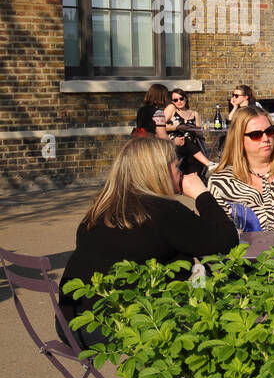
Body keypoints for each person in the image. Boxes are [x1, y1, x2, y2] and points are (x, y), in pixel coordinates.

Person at [59, 136, 238, 348]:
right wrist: (202, 194)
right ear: (158, 171)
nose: (181, 171)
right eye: (176, 166)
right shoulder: (162, 212)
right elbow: (226, 240)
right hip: (104, 328)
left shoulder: (102, 208)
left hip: (69, 323)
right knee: (218, 299)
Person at [163, 87, 213, 175]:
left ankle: (196, 178)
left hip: (192, 144)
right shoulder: (172, 109)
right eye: (175, 100)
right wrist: (177, 127)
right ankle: (208, 164)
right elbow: (161, 125)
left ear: (185, 98)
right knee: (186, 141)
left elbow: (199, 134)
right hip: (175, 143)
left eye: (181, 98)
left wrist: (200, 129)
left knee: (191, 148)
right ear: (172, 102)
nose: (179, 101)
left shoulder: (194, 114)